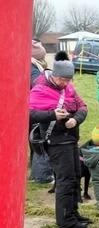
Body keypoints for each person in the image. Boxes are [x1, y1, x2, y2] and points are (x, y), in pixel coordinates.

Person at [29, 52, 89, 228]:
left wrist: (76, 119)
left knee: (75, 176)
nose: (65, 84)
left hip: (71, 139)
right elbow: (29, 114)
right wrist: (52, 115)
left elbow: (83, 107)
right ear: (53, 75)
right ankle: (65, 221)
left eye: (68, 80)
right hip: (55, 141)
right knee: (64, 180)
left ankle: (73, 214)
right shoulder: (39, 89)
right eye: (62, 79)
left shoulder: (68, 88)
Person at [29, 39, 54, 184]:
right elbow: (37, 84)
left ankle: (36, 174)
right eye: (42, 57)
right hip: (36, 107)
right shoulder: (32, 68)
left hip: (33, 106)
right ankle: (41, 176)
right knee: (39, 140)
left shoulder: (34, 65)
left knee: (35, 141)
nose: (44, 60)